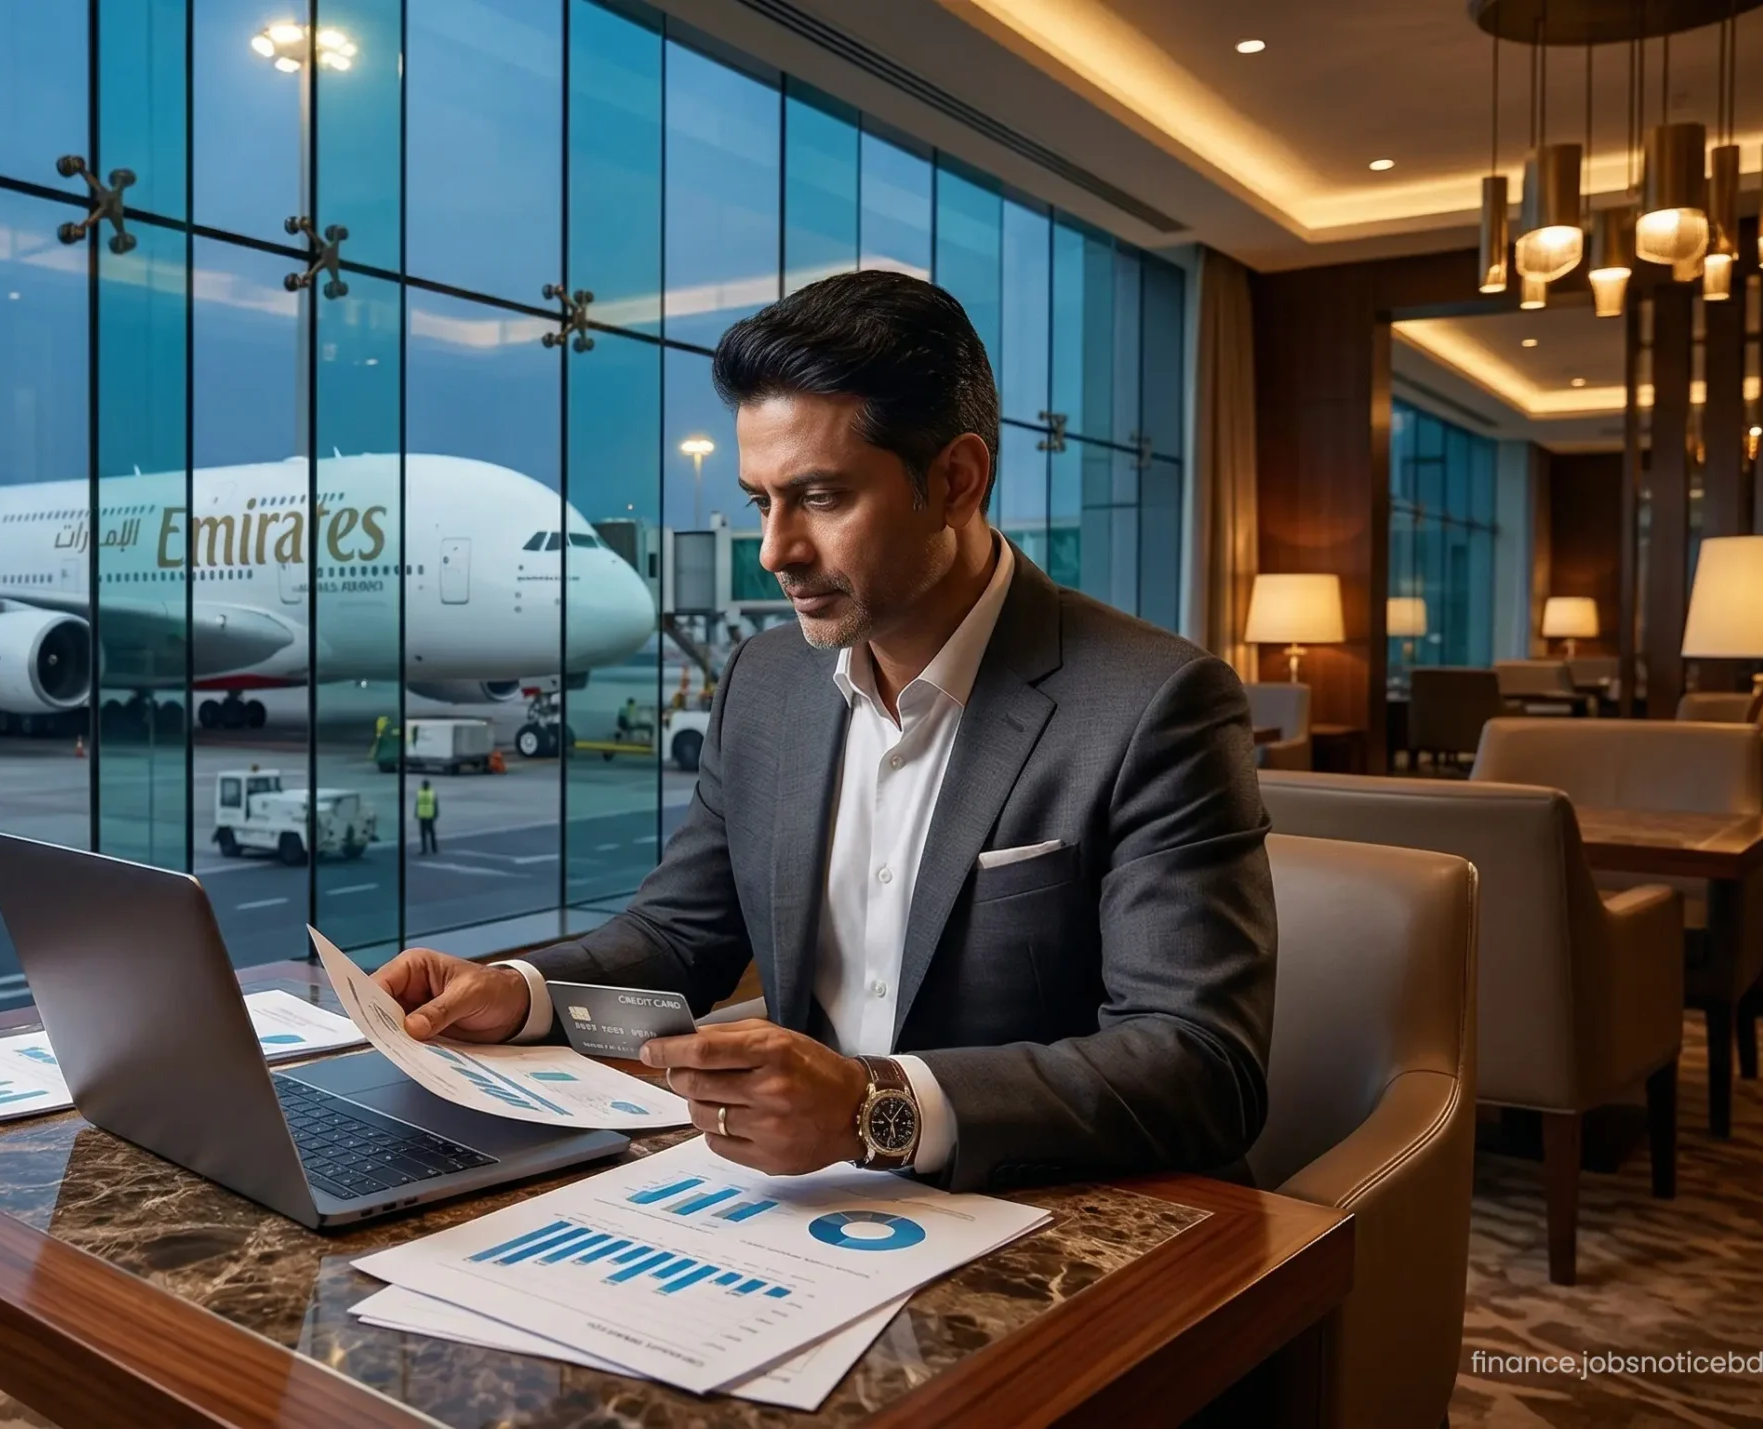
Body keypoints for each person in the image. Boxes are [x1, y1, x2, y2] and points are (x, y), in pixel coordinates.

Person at [374, 269, 1275, 1195]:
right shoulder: (768, 681)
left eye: (821, 497)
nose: (775, 550)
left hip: (1059, 1206)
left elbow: (1202, 1065)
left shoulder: (1156, 702)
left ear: (958, 481)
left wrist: (873, 1105)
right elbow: (682, 939)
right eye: (762, 500)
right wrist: (518, 991)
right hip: (810, 1199)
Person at [412, 779, 439, 856]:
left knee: (431, 833)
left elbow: (435, 804)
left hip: (429, 815)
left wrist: (436, 813)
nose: (425, 786)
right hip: (422, 815)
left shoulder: (431, 793)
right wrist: (416, 812)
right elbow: (417, 803)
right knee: (423, 833)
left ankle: (433, 848)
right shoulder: (420, 792)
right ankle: (425, 849)